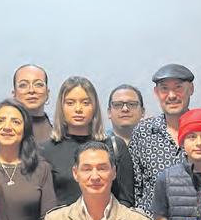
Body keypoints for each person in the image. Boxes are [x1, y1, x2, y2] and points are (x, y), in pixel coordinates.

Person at [130, 63, 201, 215]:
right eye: (164, 89)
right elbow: (135, 186)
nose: (171, 95)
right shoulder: (143, 132)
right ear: (156, 92)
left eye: (178, 88)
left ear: (191, 89)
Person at [39, 76, 134, 207]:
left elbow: (126, 200)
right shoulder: (45, 150)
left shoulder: (114, 146)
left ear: (94, 107)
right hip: (61, 219)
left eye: (85, 103)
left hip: (109, 219)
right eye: (70, 103)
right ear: (61, 107)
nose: (78, 109)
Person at [12, 64, 53, 143]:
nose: (31, 90)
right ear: (14, 94)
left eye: (38, 84)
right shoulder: (4, 129)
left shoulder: (60, 129)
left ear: (47, 93)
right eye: (23, 85)